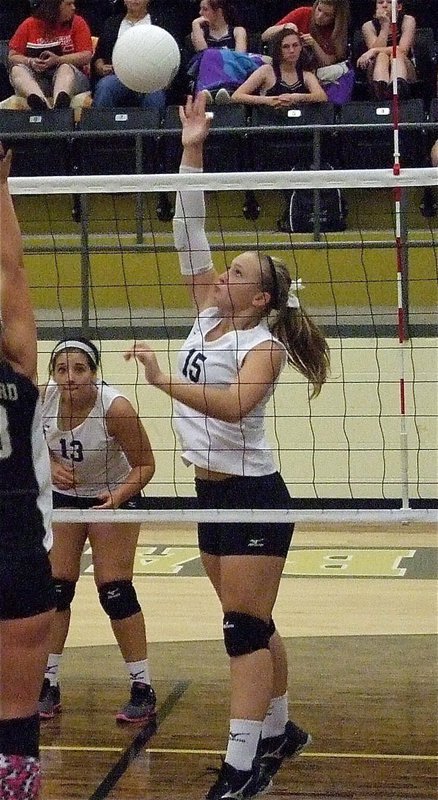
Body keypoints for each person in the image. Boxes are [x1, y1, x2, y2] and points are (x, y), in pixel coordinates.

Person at [125, 93, 330, 800]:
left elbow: (237, 403)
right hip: (212, 492)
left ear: (261, 297)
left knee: (242, 631)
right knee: (251, 621)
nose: (222, 275)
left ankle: (243, 768)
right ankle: (280, 731)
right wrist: (191, 149)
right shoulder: (209, 319)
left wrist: (159, 380)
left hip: (252, 495)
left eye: (238, 273)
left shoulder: (262, 345)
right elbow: (189, 228)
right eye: (227, 268)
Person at [38, 337, 156, 724]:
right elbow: (24, 449)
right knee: (56, 587)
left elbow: (145, 465)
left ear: (93, 372)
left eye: (79, 369)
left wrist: (116, 495)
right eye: (61, 369)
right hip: (64, 497)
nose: (69, 378)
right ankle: (47, 682)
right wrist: (47, 468)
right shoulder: (41, 401)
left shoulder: (115, 408)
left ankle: (142, 685)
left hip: (114, 493)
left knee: (115, 590)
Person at [0, 143, 55, 799]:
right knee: (15, 724)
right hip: (18, 555)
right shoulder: (18, 372)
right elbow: (11, 270)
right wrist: (2, 188)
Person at [8, 0, 93, 111]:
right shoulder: (29, 24)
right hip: (38, 79)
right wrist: (30, 61)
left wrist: (58, 60)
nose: (73, 7)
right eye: (68, 4)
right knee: (16, 70)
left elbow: (87, 55)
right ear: (54, 6)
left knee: (65, 67)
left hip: (72, 79)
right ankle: (41, 103)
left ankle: (60, 104)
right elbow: (12, 56)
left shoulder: (78, 22)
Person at [91, 0, 167, 111]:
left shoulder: (161, 23)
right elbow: (99, 56)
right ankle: (99, 127)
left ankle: (152, 128)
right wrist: (101, 67)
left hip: (150, 78)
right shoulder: (111, 23)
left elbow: (170, 54)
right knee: (105, 86)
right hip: (118, 76)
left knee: (155, 94)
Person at [188, 0, 265, 104]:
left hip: (232, 73)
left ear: (219, 12)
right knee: (207, 55)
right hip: (207, 77)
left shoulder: (237, 31)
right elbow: (201, 52)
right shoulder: (199, 33)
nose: (200, 13)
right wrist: (195, 24)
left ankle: (225, 89)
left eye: (205, 9)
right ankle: (208, 92)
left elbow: (239, 57)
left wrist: (220, 55)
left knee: (214, 54)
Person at [232, 28, 327, 106]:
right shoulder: (266, 71)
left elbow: (321, 96)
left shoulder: (306, 75)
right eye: (286, 47)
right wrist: (267, 100)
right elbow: (237, 96)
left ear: (301, 47)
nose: (291, 50)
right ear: (278, 49)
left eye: (295, 45)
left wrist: (296, 97)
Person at [261, 0, 350, 69]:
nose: (319, 16)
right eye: (319, 10)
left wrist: (314, 45)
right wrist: (285, 26)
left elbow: (329, 63)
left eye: (327, 15)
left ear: (336, 17)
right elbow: (265, 36)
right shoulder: (303, 12)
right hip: (286, 66)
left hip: (316, 70)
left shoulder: (336, 30)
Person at [356, 0, 416, 100]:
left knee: (396, 54)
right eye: (380, 2)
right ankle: (381, 90)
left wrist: (374, 51)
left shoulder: (408, 20)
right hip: (376, 68)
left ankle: (397, 87)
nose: (384, 5)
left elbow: (403, 50)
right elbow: (374, 55)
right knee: (381, 56)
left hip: (405, 67)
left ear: (399, 7)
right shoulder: (368, 26)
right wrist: (384, 27)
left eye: (389, 2)